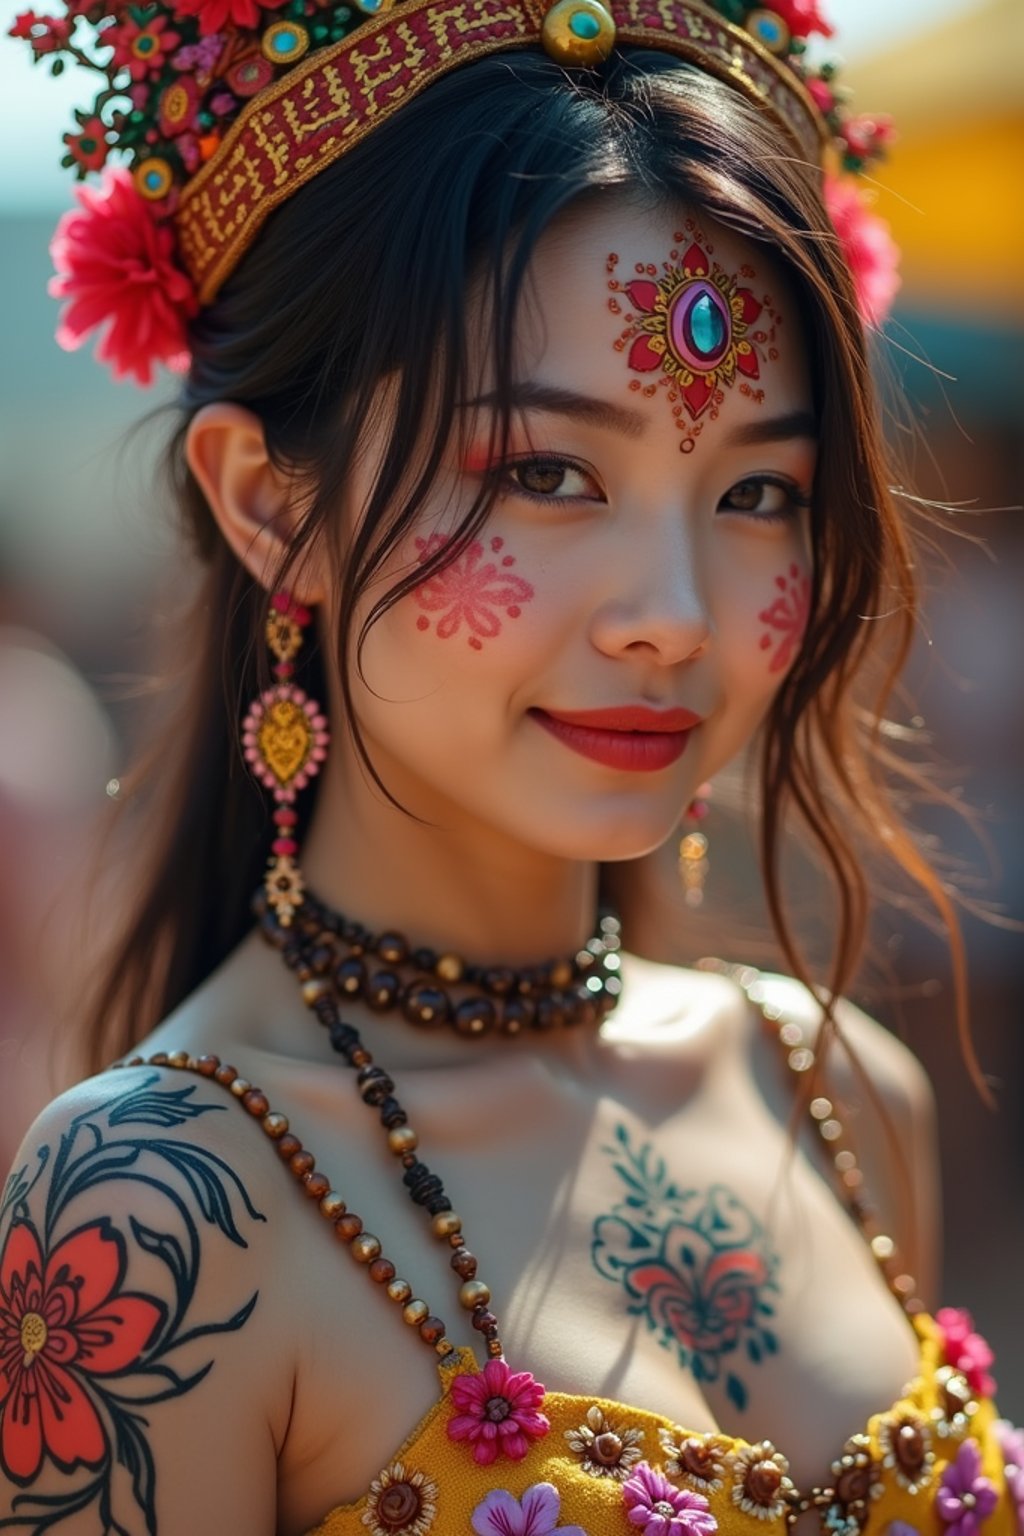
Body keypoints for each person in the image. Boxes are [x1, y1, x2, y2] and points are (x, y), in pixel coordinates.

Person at [2, 0, 1020, 1533]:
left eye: (759, 490)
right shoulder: (160, 1205)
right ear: (272, 506)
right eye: (547, 475)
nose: (674, 618)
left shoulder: (833, 1088)